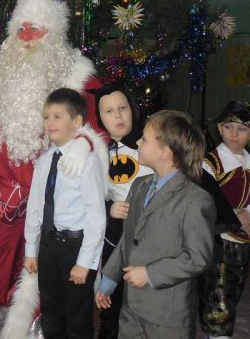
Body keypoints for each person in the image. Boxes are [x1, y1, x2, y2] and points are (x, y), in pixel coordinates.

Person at [0, 0, 105, 338]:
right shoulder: (0, 78)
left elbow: (97, 131)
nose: (26, 37)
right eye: (20, 29)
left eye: (36, 28)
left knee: (39, 281)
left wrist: (85, 144)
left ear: (53, 34)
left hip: (50, 207)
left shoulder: (76, 81)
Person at [96, 110, 216, 339]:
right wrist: (109, 280)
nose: (137, 142)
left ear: (165, 152)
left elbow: (198, 257)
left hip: (167, 315)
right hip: (131, 308)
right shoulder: (139, 186)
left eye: (144, 139)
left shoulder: (195, 199)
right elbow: (128, 240)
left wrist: (150, 273)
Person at [23, 88, 107, 339]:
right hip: (48, 246)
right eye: (46, 116)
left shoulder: (88, 161)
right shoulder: (44, 160)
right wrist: (31, 249)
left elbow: (96, 216)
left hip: (75, 247)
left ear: (77, 121)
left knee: (78, 315)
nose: (50, 122)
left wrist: (84, 262)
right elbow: (35, 206)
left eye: (58, 116)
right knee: (51, 310)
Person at [198, 101, 250, 339]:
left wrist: (249, 215)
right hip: (216, 241)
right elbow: (205, 201)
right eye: (229, 127)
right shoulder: (208, 163)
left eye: (242, 129)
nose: (234, 134)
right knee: (216, 296)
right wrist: (236, 219)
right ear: (220, 128)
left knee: (232, 291)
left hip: (242, 244)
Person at [88, 83, 154, 339]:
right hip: (114, 236)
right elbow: (90, 194)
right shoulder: (98, 154)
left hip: (148, 234)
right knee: (111, 300)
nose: (117, 115)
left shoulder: (150, 144)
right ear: (100, 118)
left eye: (122, 108)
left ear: (132, 109)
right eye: (109, 111)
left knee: (143, 300)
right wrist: (109, 208)